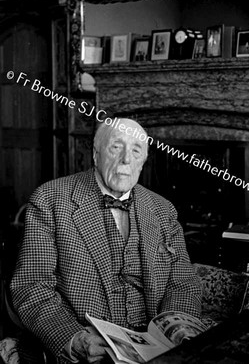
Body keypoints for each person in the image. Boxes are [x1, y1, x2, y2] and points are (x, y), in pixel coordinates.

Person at [10, 118, 209, 363]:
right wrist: (74, 338)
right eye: (116, 147)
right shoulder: (50, 199)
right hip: (89, 344)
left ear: (143, 162)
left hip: (154, 346)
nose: (126, 159)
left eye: (136, 150)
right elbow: (31, 285)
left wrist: (174, 333)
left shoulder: (162, 209)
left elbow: (183, 282)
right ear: (96, 154)